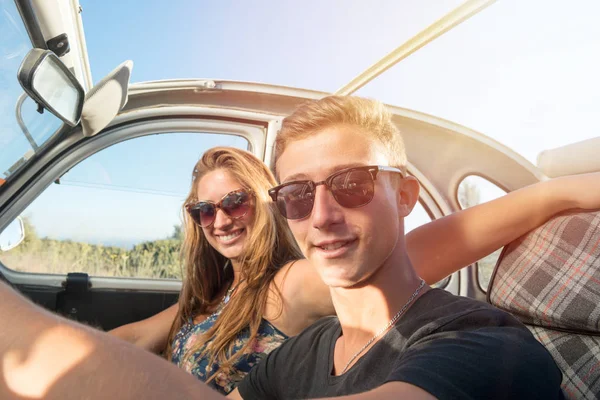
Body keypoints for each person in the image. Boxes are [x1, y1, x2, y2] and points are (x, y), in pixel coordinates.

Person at [2, 96, 600, 399]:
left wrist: (557, 194)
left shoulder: (483, 344)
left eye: (352, 183)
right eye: (298, 194)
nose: (323, 213)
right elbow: (138, 337)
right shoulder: (286, 337)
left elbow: (447, 238)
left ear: (407, 193)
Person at [110, 143, 590, 395]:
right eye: (203, 211)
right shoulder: (217, 298)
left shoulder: (289, 286)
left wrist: (553, 194)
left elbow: (422, 248)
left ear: (271, 205)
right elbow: (133, 338)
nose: (220, 220)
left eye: (235, 202)